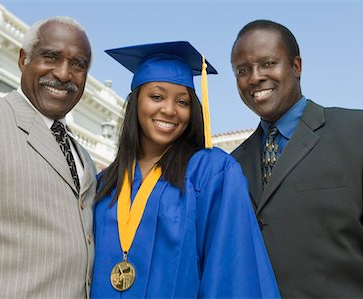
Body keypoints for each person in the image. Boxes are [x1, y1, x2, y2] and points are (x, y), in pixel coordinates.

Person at [90, 41, 280, 298]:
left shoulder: (212, 173)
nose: (169, 110)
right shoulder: (104, 183)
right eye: (156, 97)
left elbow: (231, 274)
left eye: (182, 101)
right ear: (136, 103)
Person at [0, 16, 97, 298]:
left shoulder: (82, 156)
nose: (63, 73)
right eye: (51, 57)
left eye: (78, 64)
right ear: (24, 59)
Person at [230, 19, 363, 298]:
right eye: (243, 70)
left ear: (297, 66)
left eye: (267, 63)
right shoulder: (232, 166)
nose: (254, 77)